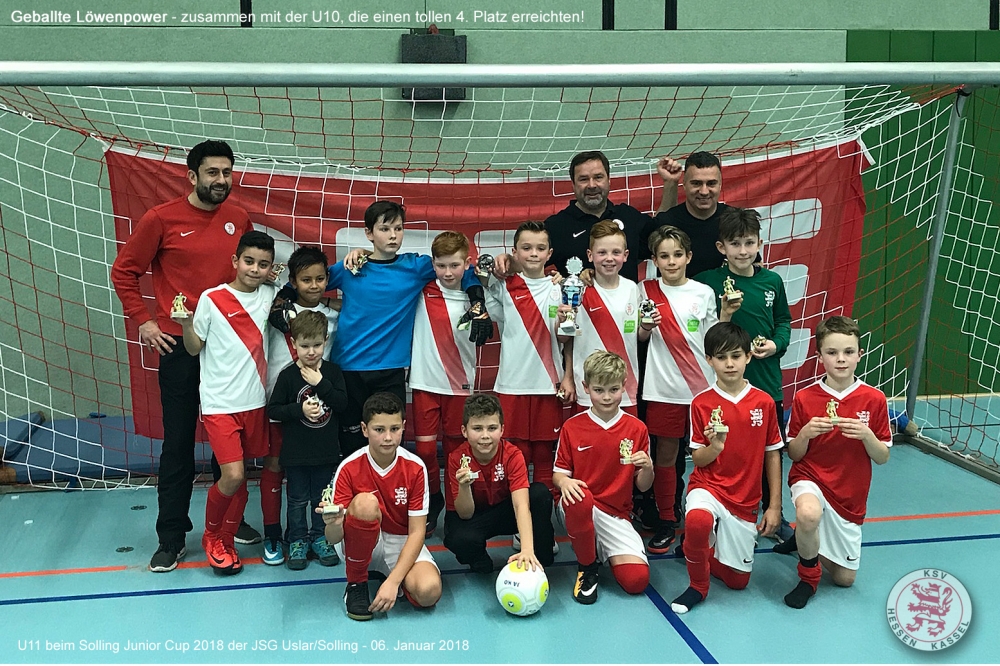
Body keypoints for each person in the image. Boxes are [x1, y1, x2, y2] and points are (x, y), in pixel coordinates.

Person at [110, 139, 257, 573]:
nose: (221, 180)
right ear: (192, 176)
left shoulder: (238, 218)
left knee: (230, 440)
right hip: (179, 348)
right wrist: (145, 321)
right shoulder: (161, 218)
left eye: (226, 172)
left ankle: (229, 523)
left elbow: (250, 276)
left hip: (227, 351)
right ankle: (171, 537)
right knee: (177, 444)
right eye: (212, 172)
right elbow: (124, 271)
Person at [326, 201, 491, 457]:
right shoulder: (351, 267)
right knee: (351, 444)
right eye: (384, 229)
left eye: (398, 228)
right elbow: (306, 281)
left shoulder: (417, 267)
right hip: (348, 368)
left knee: (389, 443)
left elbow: (463, 270)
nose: (393, 235)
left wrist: (478, 303)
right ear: (369, 233)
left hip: (390, 370)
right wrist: (287, 300)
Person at [176, 230, 279, 575]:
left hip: (256, 402)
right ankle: (211, 536)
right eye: (249, 261)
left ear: (270, 268)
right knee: (232, 475)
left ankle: (227, 539)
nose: (254, 269)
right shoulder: (212, 298)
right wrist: (186, 324)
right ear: (235, 261)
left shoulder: (271, 295)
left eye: (263, 264)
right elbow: (194, 348)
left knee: (243, 479)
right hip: (220, 404)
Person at [775, 316, 892, 609]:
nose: (841, 359)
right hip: (810, 476)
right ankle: (808, 577)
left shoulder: (874, 399)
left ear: (859, 355)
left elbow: (882, 457)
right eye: (832, 352)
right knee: (808, 514)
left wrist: (866, 435)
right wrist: (805, 432)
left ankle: (804, 539)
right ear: (819, 356)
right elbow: (795, 454)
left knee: (844, 579)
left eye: (848, 352)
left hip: (849, 492)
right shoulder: (805, 397)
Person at [670, 322, 783, 614]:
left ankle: (698, 549)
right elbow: (698, 459)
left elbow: (773, 454)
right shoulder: (701, 403)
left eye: (736, 356)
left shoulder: (764, 402)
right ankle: (697, 586)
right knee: (697, 521)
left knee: (737, 581)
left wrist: (774, 506)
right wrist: (716, 447)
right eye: (721, 357)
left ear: (748, 357)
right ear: (709, 360)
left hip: (745, 498)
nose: (729, 364)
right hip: (708, 486)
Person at [697, 206, 794, 542]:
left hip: (766, 382)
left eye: (749, 243)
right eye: (735, 244)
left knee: (769, 450)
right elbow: (702, 333)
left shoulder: (772, 281)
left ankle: (774, 513)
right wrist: (725, 314)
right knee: (721, 448)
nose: (742, 250)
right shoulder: (707, 282)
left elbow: (783, 322)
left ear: (759, 244)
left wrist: (776, 344)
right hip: (722, 387)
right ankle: (718, 509)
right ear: (721, 247)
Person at [319, 392, 442, 621]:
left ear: (403, 427)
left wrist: (394, 581)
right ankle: (356, 583)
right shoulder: (348, 467)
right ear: (364, 429)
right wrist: (334, 524)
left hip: (400, 542)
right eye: (379, 430)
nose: (388, 437)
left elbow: (417, 532)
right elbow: (333, 538)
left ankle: (396, 579)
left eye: (394, 429)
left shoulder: (415, 467)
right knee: (366, 502)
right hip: (359, 542)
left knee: (429, 592)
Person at [637, 225, 718, 554]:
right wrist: (645, 328)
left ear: (689, 257)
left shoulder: (704, 292)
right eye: (664, 256)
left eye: (677, 255)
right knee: (665, 457)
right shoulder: (644, 290)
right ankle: (667, 521)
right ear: (655, 260)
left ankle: (710, 518)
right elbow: (639, 336)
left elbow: (713, 340)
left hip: (703, 391)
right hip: (663, 389)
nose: (671, 261)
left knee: (708, 456)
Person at [261, 245, 341, 565]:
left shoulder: (334, 314)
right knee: (276, 466)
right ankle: (275, 533)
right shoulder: (274, 306)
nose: (314, 285)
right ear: (293, 281)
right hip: (280, 401)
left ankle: (319, 536)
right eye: (306, 280)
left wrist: (329, 301)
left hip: (320, 412)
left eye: (320, 279)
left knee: (320, 481)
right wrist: (280, 292)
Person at [553, 350, 654, 604]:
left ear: (624, 386)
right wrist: (565, 482)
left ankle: (596, 546)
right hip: (578, 507)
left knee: (636, 581)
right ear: (586, 387)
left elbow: (643, 486)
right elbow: (558, 474)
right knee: (579, 498)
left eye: (613, 389)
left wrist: (648, 468)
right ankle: (587, 567)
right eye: (599, 390)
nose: (607, 397)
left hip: (616, 513)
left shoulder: (637, 428)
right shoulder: (572, 426)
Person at [493, 150, 682, 283]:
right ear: (573, 184)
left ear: (609, 180)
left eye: (598, 177)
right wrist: (508, 261)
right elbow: (530, 262)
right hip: (576, 322)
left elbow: (662, 231)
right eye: (583, 179)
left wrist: (670, 184)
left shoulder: (628, 216)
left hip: (626, 319)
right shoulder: (557, 226)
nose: (592, 185)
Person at [485, 221, 574, 496]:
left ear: (549, 253)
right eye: (526, 248)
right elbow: (486, 292)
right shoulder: (504, 286)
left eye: (540, 248)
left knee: (545, 455)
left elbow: (568, 339)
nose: (533, 253)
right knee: (517, 454)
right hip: (512, 385)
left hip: (548, 385)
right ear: (515, 252)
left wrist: (568, 375)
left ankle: (543, 514)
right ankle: (517, 514)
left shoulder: (562, 288)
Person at [409, 231, 480, 537]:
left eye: (455, 265)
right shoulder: (421, 289)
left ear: (467, 263)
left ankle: (455, 509)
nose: (448, 273)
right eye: (441, 265)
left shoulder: (478, 295)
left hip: (460, 386)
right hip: (424, 383)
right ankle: (432, 501)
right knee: (425, 451)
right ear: (433, 264)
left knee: (456, 452)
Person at [266, 310, 348, 570]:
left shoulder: (333, 372)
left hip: (326, 452)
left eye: (316, 345)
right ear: (294, 344)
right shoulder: (288, 376)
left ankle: (321, 538)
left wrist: (321, 382)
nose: (311, 352)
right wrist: (299, 410)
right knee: (297, 500)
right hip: (296, 454)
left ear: (325, 341)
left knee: (322, 500)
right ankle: (297, 540)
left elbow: (342, 404)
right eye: (304, 346)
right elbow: (274, 410)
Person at [442, 394, 555, 573]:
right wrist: (464, 486)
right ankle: (480, 560)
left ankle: (538, 557)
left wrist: (527, 549)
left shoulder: (513, 455)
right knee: (457, 537)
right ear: (464, 431)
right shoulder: (457, 458)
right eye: (477, 428)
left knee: (539, 494)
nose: (485, 436)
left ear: (502, 429)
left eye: (492, 428)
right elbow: (465, 514)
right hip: (475, 515)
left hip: (504, 511)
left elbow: (521, 505)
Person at [560, 220, 642, 419]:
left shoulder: (633, 289)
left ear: (625, 255)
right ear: (590, 255)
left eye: (616, 252)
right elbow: (566, 339)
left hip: (625, 388)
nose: (609, 258)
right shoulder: (578, 289)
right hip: (588, 389)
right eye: (602, 252)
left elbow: (640, 336)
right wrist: (568, 376)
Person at [653, 151, 734, 279]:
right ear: (684, 184)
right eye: (696, 183)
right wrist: (670, 182)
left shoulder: (735, 220)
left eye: (711, 183)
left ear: (720, 185)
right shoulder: (667, 221)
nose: (704, 191)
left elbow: (754, 265)